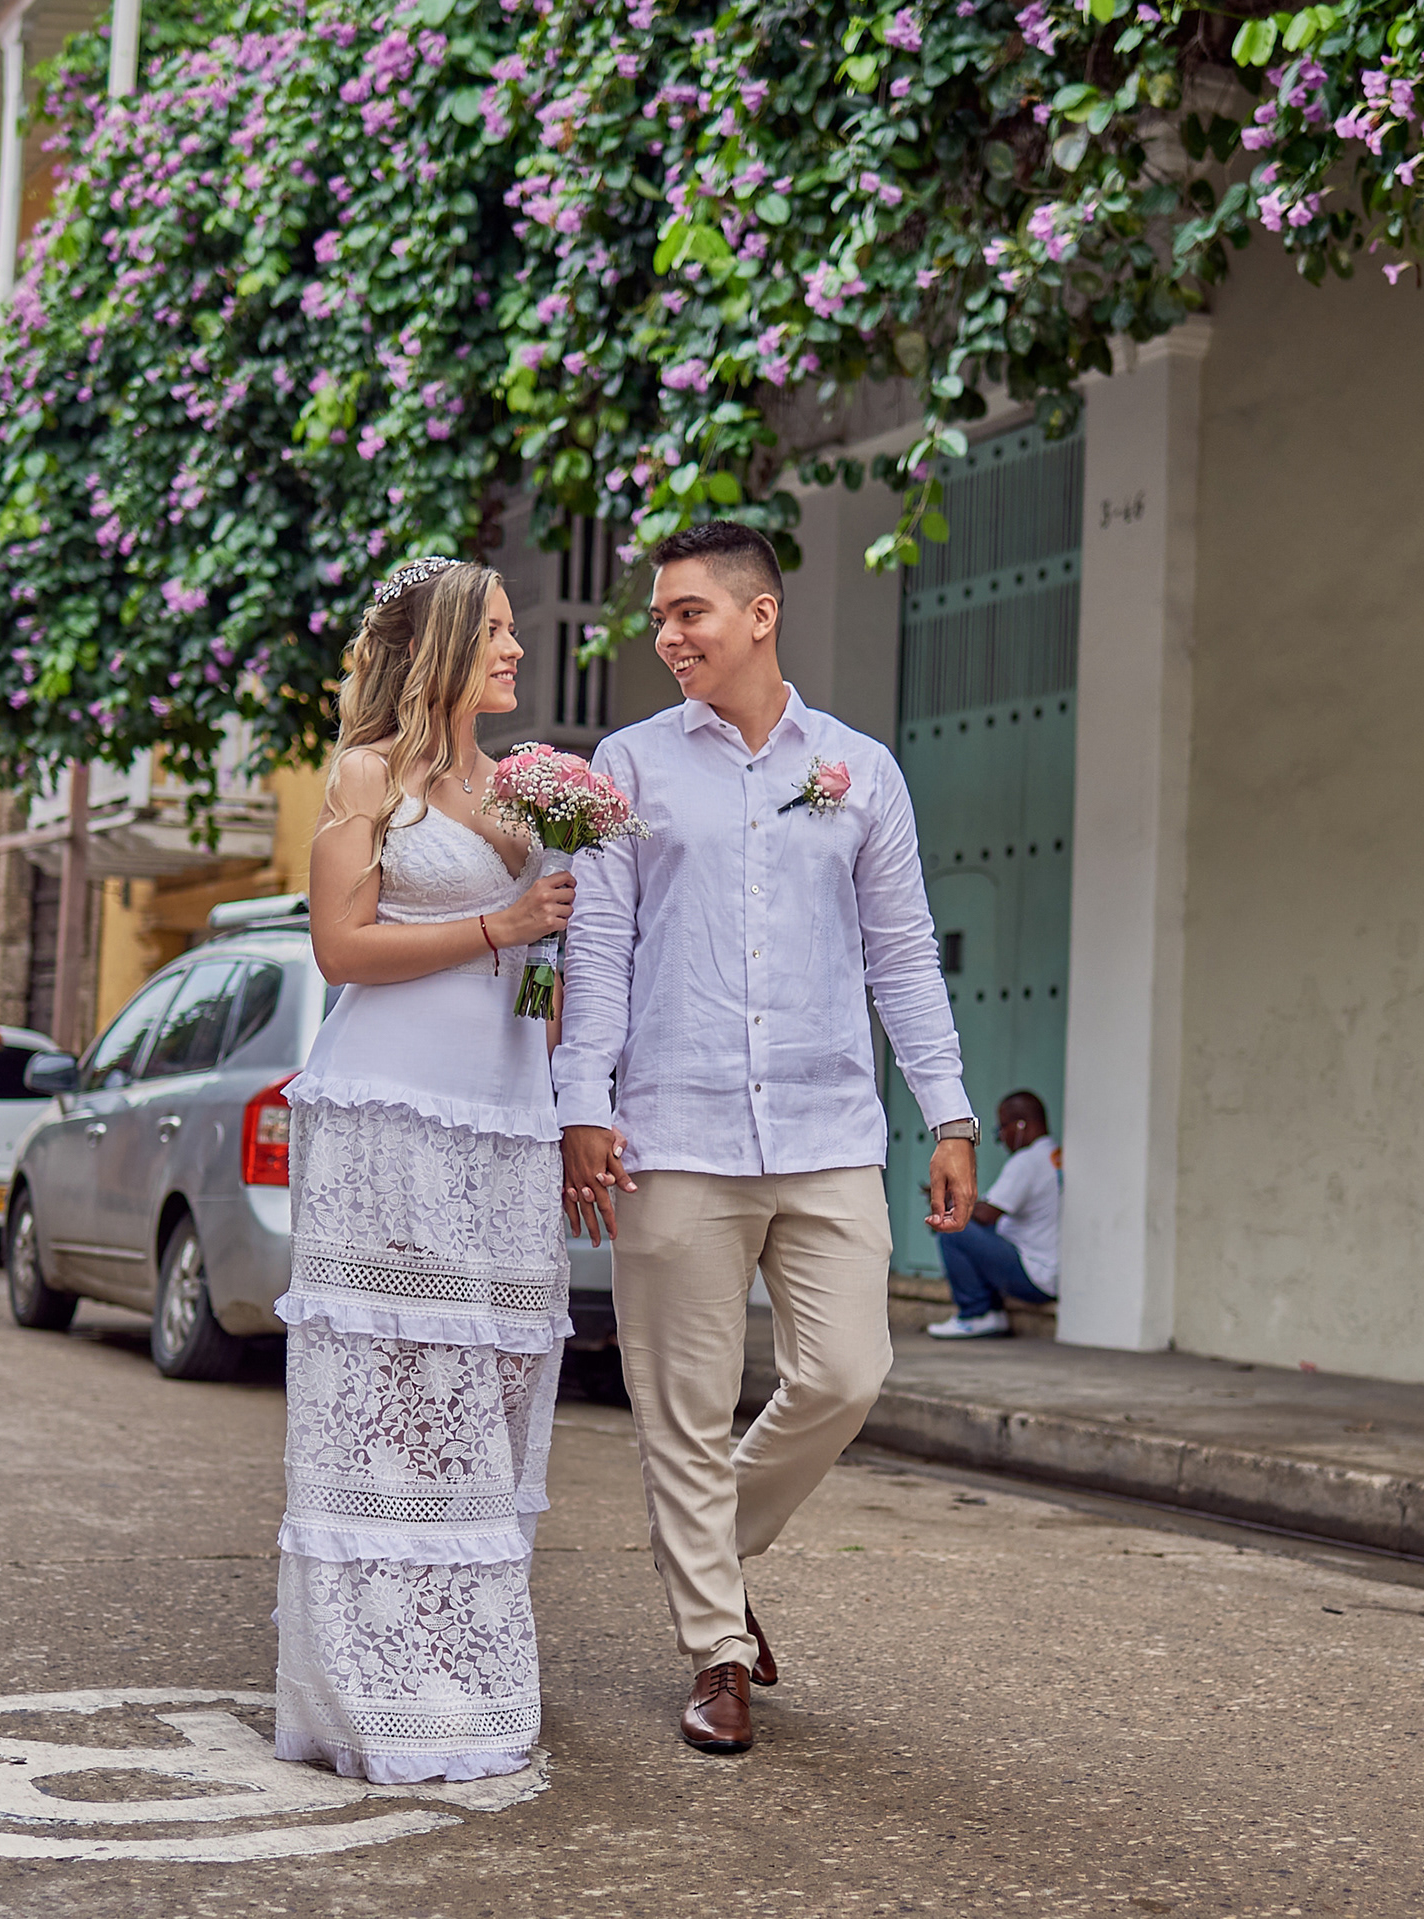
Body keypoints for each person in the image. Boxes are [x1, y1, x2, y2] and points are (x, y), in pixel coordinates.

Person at [555, 520, 978, 1757]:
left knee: (847, 1373)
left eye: (688, 611)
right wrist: (584, 1099)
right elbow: (599, 944)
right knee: (681, 1406)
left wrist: (949, 1111)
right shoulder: (629, 765)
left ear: (760, 613)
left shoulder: (860, 770)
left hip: (826, 1121)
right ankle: (717, 1651)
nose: (667, 635)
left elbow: (903, 952)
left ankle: (704, 1553)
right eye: (659, 616)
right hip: (675, 1127)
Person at [274, 556, 577, 1784]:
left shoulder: (520, 789)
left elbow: (540, 973)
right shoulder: (367, 774)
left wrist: (565, 1082)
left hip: (505, 1122)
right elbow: (342, 948)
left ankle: (459, 1667)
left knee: (488, 1395)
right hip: (391, 1116)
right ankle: (374, 1686)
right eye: (496, 630)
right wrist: (502, 923)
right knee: (392, 1399)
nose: (515, 647)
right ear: (443, 646)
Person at [927, 1091, 1062, 1339]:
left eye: (1002, 1129)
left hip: (1034, 1275)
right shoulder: (1055, 1156)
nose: (1002, 1138)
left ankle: (977, 1313)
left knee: (955, 1229)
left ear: (1020, 1126)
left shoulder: (1026, 1161)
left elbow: (987, 1214)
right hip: (1053, 1273)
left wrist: (951, 1202)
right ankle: (989, 1312)